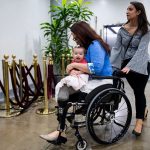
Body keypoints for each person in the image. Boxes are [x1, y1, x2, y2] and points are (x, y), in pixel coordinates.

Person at [40, 21, 112, 144]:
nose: (74, 38)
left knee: (65, 93)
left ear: (82, 33)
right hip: (93, 81)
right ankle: (61, 129)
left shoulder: (95, 45)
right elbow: (87, 67)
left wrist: (74, 65)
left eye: (74, 35)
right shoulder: (90, 46)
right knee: (64, 91)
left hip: (102, 82)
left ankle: (60, 130)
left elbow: (96, 68)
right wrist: (76, 70)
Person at [110, 1, 150, 136]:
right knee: (128, 86)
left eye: (130, 9)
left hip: (142, 63)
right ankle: (142, 109)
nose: (127, 11)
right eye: (127, 9)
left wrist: (130, 66)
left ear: (138, 12)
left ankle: (139, 121)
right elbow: (116, 48)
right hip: (126, 62)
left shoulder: (146, 29)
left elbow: (142, 50)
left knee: (139, 91)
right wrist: (112, 65)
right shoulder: (122, 29)